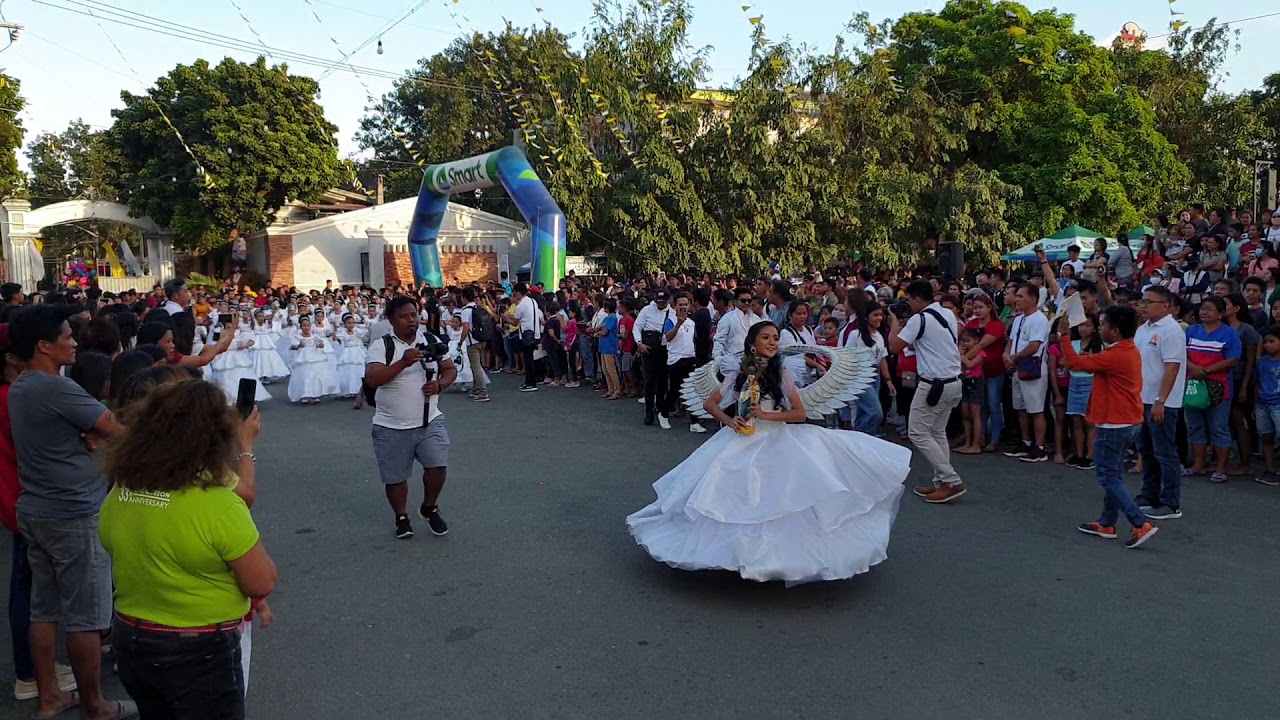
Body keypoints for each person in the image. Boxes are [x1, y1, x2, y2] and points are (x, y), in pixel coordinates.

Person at [625, 321, 910, 584]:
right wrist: (729, 420)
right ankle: (734, 557)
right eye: (766, 338)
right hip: (739, 439)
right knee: (731, 499)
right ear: (752, 344)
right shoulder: (740, 372)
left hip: (776, 438)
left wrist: (766, 415)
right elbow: (711, 403)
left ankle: (775, 559)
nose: (773, 342)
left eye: (775, 338)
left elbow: (799, 414)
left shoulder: (782, 374)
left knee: (780, 499)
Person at [99, 379, 276, 718]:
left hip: (132, 637)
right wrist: (246, 448)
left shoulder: (123, 488)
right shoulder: (219, 503)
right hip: (199, 648)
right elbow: (261, 582)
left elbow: (109, 538)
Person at [6, 305, 137, 719]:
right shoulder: (56, 388)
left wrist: (95, 436)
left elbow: (93, 432)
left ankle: (50, 695)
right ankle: (94, 704)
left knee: (44, 609)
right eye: (67, 335)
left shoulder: (24, 385)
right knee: (85, 616)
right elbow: (118, 430)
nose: (75, 340)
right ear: (44, 346)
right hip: (74, 511)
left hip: (37, 508)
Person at [0, 325, 78, 703]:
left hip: (19, 500)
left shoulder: (17, 393)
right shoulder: (16, 395)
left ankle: (36, 671)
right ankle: (32, 672)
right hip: (31, 500)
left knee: (32, 591)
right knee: (36, 594)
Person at [1057, 307, 1160, 549]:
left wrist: (1063, 335)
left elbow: (1073, 362)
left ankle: (1139, 522)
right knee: (1113, 474)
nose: (1099, 328)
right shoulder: (1125, 350)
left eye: (1103, 325)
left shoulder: (1116, 354)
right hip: (1127, 419)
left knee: (1108, 476)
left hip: (1114, 421)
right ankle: (1107, 523)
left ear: (1114, 331)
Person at [363, 296, 458, 540]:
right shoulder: (382, 346)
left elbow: (449, 369)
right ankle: (401, 518)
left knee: (438, 467)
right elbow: (372, 379)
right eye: (405, 316)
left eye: (414, 314)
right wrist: (403, 362)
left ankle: (429, 507)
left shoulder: (430, 339)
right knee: (396, 477)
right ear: (391, 320)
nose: (412, 320)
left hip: (430, 420)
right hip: (391, 425)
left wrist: (439, 385)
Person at [888, 280, 965, 503]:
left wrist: (894, 321)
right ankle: (941, 481)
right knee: (937, 432)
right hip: (953, 381)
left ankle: (951, 480)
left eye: (910, 300)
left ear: (918, 299)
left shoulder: (919, 319)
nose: (908, 304)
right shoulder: (947, 314)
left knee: (917, 433)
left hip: (934, 385)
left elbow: (894, 347)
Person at [1134, 286, 1187, 519]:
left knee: (1164, 452)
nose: (1144, 305)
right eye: (1142, 301)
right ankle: (1149, 494)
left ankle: (1170, 502)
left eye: (1149, 302)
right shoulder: (1143, 329)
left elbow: (1172, 367)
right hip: (1141, 398)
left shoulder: (1171, 330)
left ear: (1165, 306)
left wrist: (1160, 400)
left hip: (1162, 402)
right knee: (1146, 450)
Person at [1183, 296, 1241, 484]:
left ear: (1221, 313)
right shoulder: (1192, 331)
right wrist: (1194, 368)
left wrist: (1206, 370)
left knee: (1218, 426)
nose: (1204, 312)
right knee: (1195, 426)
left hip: (1218, 385)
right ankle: (1198, 464)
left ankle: (1221, 468)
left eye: (1209, 309)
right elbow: (1181, 352)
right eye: (1202, 308)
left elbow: (1232, 359)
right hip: (1193, 384)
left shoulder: (1229, 333)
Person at [1003, 284, 1051, 462]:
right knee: (1021, 407)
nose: (1017, 300)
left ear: (1032, 298)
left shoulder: (1039, 319)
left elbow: (1034, 346)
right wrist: (1006, 355)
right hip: (1018, 368)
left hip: (1032, 368)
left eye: (1021, 296)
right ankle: (1026, 441)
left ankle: (1039, 447)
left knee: (1036, 409)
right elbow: (1011, 340)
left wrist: (1013, 357)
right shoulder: (1018, 319)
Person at [457, 287, 491, 402]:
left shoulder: (465, 311)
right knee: (477, 366)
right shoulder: (478, 307)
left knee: (476, 367)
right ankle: (476, 388)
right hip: (482, 339)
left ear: (464, 298)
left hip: (472, 342)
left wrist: (460, 341)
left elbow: (466, 327)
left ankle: (483, 391)